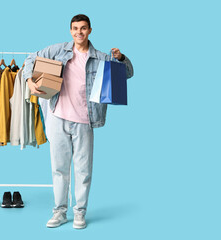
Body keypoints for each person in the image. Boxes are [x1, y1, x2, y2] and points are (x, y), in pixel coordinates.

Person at [22, 14, 134, 229]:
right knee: (59, 169)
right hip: (58, 116)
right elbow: (31, 58)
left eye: (83, 28)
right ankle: (59, 212)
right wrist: (29, 81)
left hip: (85, 120)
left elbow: (128, 73)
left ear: (90, 30)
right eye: (75, 28)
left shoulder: (101, 57)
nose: (79, 32)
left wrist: (121, 58)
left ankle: (80, 212)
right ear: (70, 30)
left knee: (83, 171)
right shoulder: (59, 50)